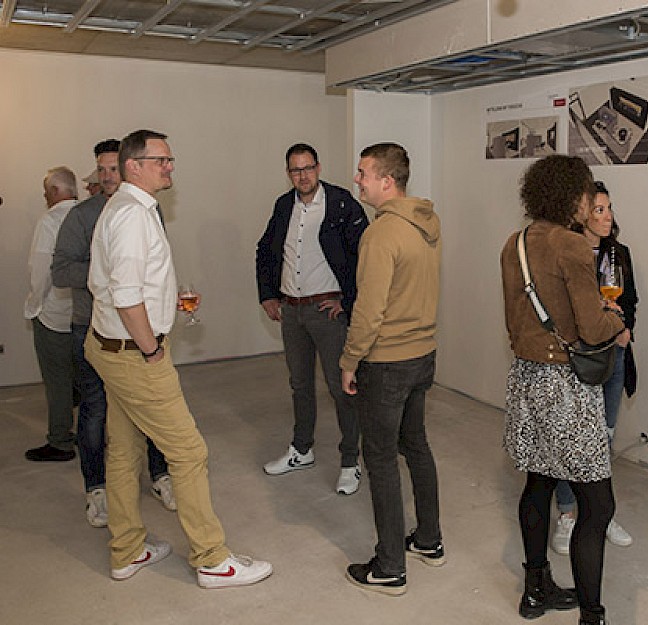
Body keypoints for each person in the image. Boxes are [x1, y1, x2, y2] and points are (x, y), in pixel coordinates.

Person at [85, 129, 271, 588]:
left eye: (170, 159)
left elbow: (131, 287)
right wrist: (152, 349)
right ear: (135, 165)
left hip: (111, 347)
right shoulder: (132, 216)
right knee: (189, 452)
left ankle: (127, 550)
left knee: (125, 450)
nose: (170, 167)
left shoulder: (129, 208)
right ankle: (212, 558)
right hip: (133, 353)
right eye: (162, 160)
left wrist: (166, 301)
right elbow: (128, 299)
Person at [500, 155, 625, 625]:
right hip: (565, 388)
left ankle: (535, 592)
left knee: (538, 483)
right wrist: (616, 320)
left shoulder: (514, 243)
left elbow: (516, 319)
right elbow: (593, 327)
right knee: (598, 503)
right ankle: (592, 615)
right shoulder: (571, 246)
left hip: (526, 380)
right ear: (571, 197)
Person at [52, 139, 176, 529]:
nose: (108, 176)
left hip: (133, 332)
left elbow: (145, 274)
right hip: (99, 331)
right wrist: (105, 270)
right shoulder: (92, 216)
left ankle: (157, 479)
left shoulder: (142, 209)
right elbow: (62, 273)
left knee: (134, 430)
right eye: (102, 170)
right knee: (95, 414)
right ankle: (97, 490)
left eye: (112, 169)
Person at [340, 143, 443, 596]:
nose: (357, 180)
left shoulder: (382, 234)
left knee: (379, 458)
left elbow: (369, 310)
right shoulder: (427, 224)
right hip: (422, 355)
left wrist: (349, 360)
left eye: (363, 173)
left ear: (387, 180)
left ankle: (389, 567)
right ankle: (428, 540)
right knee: (415, 445)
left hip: (386, 362)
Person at [256, 143, 368, 495]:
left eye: (307, 168)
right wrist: (268, 294)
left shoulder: (340, 203)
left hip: (326, 313)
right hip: (292, 311)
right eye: (295, 170)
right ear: (288, 173)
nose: (302, 176)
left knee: (341, 388)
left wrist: (346, 301)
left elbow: (363, 255)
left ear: (318, 168)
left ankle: (350, 461)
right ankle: (301, 450)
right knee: (300, 385)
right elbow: (266, 249)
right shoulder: (283, 205)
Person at [552, 181, 639, 553]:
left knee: (602, 436)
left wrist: (624, 327)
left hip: (613, 354)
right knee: (570, 437)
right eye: (598, 209)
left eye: (609, 208)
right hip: (577, 354)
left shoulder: (619, 253)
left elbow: (630, 301)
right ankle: (568, 513)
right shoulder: (565, 253)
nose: (607, 217)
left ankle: (600, 513)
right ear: (580, 213)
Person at [24, 166, 79, 462]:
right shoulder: (87, 215)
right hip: (83, 314)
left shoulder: (50, 220)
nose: (45, 196)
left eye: (47, 191)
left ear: (57, 191)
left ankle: (60, 441)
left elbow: (41, 271)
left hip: (54, 314)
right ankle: (92, 435)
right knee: (86, 378)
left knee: (57, 381)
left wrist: (34, 305)